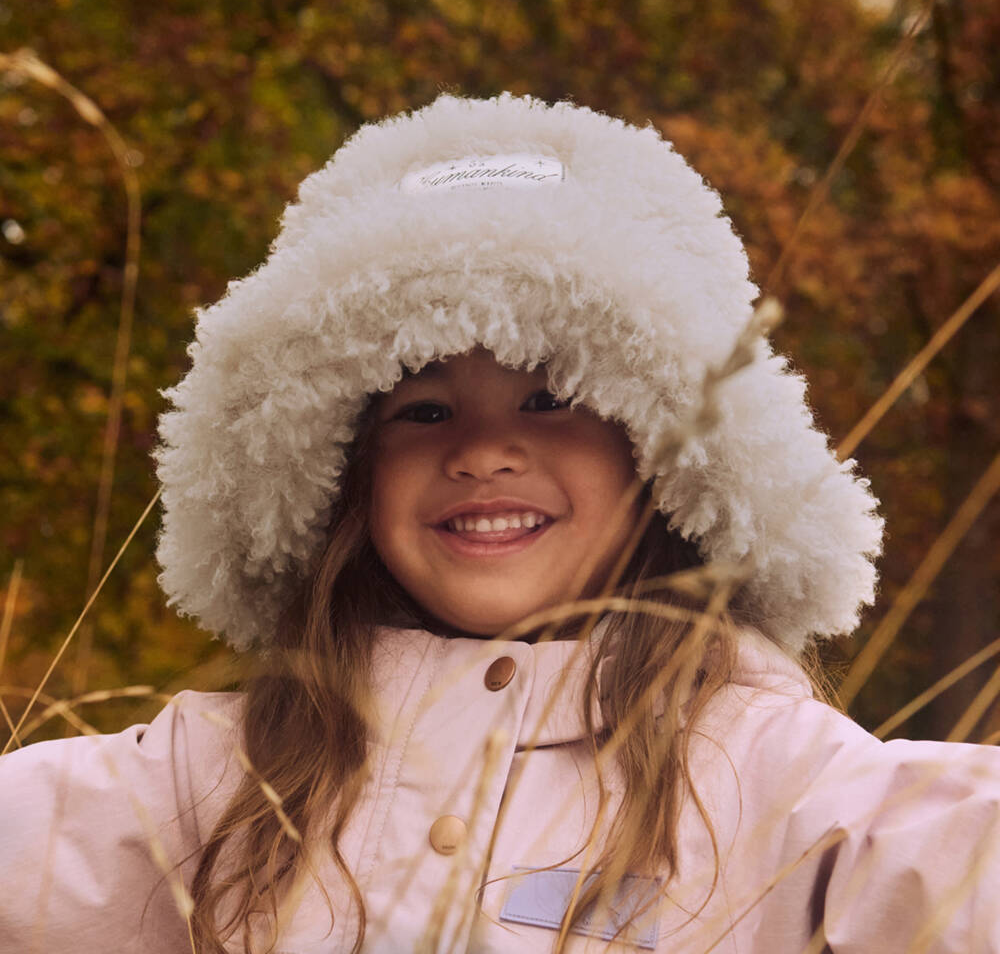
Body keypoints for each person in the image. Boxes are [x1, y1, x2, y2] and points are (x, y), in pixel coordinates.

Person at [2, 93, 998, 954]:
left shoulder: (767, 770)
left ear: (663, 455)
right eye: (423, 411)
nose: (482, 451)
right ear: (340, 474)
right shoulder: (230, 769)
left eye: (550, 396)